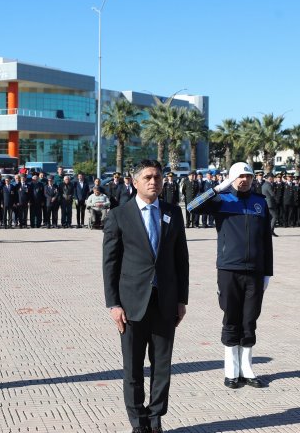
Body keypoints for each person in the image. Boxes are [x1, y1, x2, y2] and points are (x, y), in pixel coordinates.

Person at [103, 159, 189, 433]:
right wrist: (113, 304)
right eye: (148, 177)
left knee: (162, 366)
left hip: (165, 302)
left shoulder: (172, 213)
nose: (154, 182)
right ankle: (138, 422)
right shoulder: (119, 215)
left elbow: (181, 260)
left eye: (158, 177)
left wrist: (181, 300)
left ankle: (155, 419)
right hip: (131, 304)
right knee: (133, 368)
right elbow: (110, 264)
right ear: (135, 181)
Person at [187, 161, 273, 390]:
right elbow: (191, 207)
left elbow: (266, 240)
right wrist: (217, 188)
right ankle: (231, 370)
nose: (245, 180)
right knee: (231, 318)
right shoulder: (222, 200)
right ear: (232, 178)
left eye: (249, 176)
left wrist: (268, 273)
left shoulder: (259, 203)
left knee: (250, 319)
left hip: (254, 271)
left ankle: (247, 368)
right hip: (228, 269)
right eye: (240, 176)